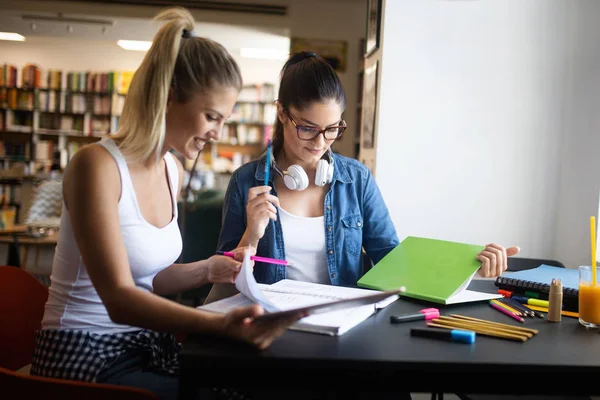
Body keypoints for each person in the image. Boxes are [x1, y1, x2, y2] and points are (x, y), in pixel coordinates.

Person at [30, 7, 304, 400]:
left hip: (141, 346)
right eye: (211, 116)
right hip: (84, 353)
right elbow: (120, 299)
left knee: (253, 385)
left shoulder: (170, 169)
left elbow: (150, 278)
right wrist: (219, 324)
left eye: (224, 120)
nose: (217, 134)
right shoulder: (97, 166)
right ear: (170, 95)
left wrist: (211, 269)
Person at [217, 51, 520, 289]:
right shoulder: (246, 182)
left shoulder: (356, 179)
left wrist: (467, 267)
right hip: (269, 328)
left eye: (333, 129)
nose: (321, 142)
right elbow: (222, 280)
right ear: (282, 112)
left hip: (341, 328)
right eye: (308, 128)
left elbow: (392, 259)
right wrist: (250, 236)